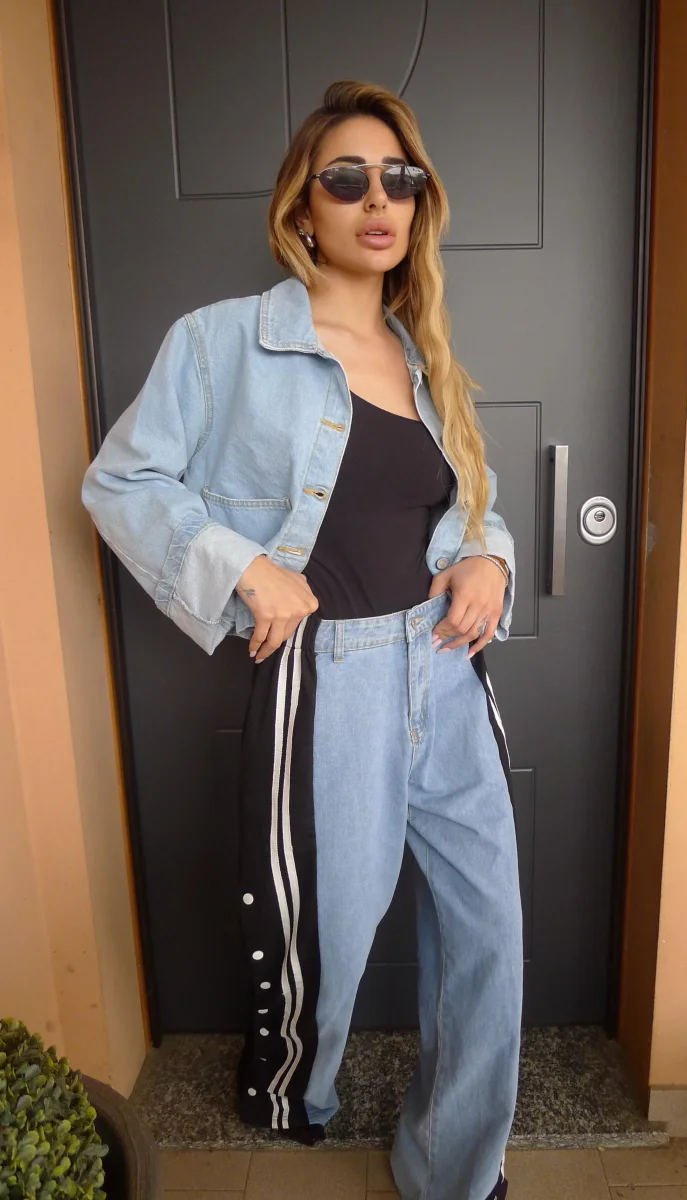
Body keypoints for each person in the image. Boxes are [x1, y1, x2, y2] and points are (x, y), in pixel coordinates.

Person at [82, 78, 523, 1200]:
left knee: (488, 933)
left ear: (419, 204)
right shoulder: (223, 343)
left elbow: (469, 510)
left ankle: (457, 1173)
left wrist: (489, 560)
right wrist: (243, 567)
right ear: (303, 206)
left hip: (446, 669)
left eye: (399, 180)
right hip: (335, 682)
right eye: (348, 179)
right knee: (324, 937)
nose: (378, 200)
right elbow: (121, 481)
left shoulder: (424, 355)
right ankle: (298, 1092)